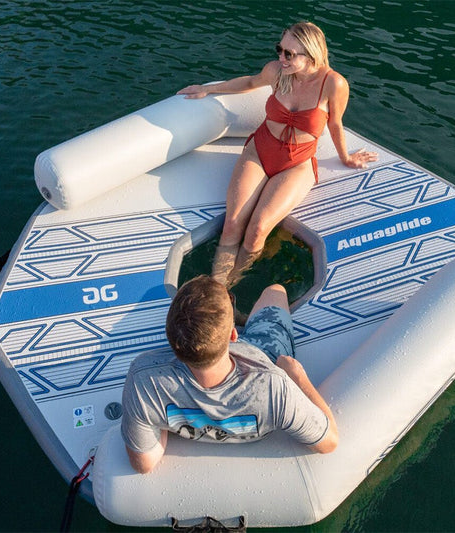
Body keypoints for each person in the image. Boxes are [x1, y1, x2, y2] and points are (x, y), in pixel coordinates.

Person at [177, 22, 379, 286]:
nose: (280, 58)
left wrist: (346, 157)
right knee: (232, 224)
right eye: (279, 49)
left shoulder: (334, 84)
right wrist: (209, 88)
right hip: (260, 151)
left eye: (289, 54)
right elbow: (250, 82)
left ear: (311, 54)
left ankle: (232, 285)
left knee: (258, 230)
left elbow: (335, 123)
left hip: (297, 162)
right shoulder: (276, 72)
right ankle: (217, 292)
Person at [120, 276, 339, 474]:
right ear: (234, 334)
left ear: (172, 340)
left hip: (196, 354)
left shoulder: (145, 380)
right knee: (275, 290)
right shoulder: (274, 386)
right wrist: (297, 376)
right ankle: (233, 314)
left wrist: (166, 416)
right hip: (262, 351)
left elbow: (144, 464)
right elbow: (329, 442)